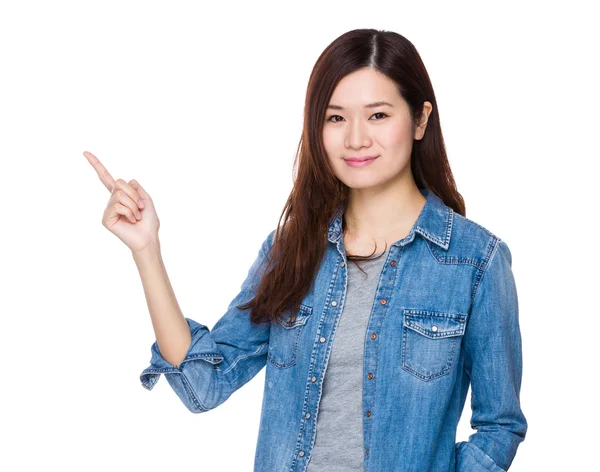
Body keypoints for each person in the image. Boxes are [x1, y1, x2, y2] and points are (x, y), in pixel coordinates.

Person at [85, 28, 527, 472]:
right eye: (335, 118)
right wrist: (146, 249)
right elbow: (204, 382)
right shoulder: (292, 249)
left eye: (377, 115)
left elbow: (499, 426)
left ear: (419, 119)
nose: (355, 139)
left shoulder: (475, 261)